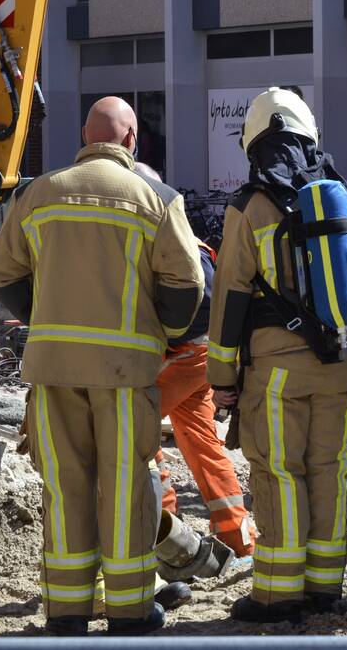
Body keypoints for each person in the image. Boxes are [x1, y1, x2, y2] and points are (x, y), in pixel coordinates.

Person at [0, 96, 204, 636]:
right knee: (126, 486)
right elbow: (187, 286)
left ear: (85, 137)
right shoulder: (157, 198)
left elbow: (3, 275)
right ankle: (131, 611)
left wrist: (45, 319)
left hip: (54, 370)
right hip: (125, 375)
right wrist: (163, 335)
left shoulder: (36, 195)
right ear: (132, 141)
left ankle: (66, 612)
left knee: (65, 488)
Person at [207, 88, 347, 623]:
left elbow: (231, 296)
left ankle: (278, 595)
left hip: (277, 371)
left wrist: (222, 378)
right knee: (328, 470)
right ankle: (325, 589)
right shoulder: (341, 199)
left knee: (280, 474)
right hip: (341, 367)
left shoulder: (250, 206)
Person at [133, 162, 256, 558]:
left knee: (138, 427)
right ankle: (237, 537)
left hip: (187, 355)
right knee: (202, 443)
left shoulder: (168, 242)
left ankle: (163, 530)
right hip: (200, 357)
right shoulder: (188, 239)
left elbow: (197, 307)